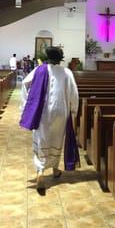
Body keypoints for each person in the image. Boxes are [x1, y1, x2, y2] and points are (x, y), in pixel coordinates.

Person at [20, 47, 79, 191]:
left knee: (42, 139)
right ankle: (55, 169)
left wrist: (28, 104)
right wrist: (74, 111)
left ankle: (40, 171)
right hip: (61, 110)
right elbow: (74, 93)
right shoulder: (66, 72)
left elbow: (25, 83)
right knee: (56, 140)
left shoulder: (40, 70)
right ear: (60, 58)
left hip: (43, 111)